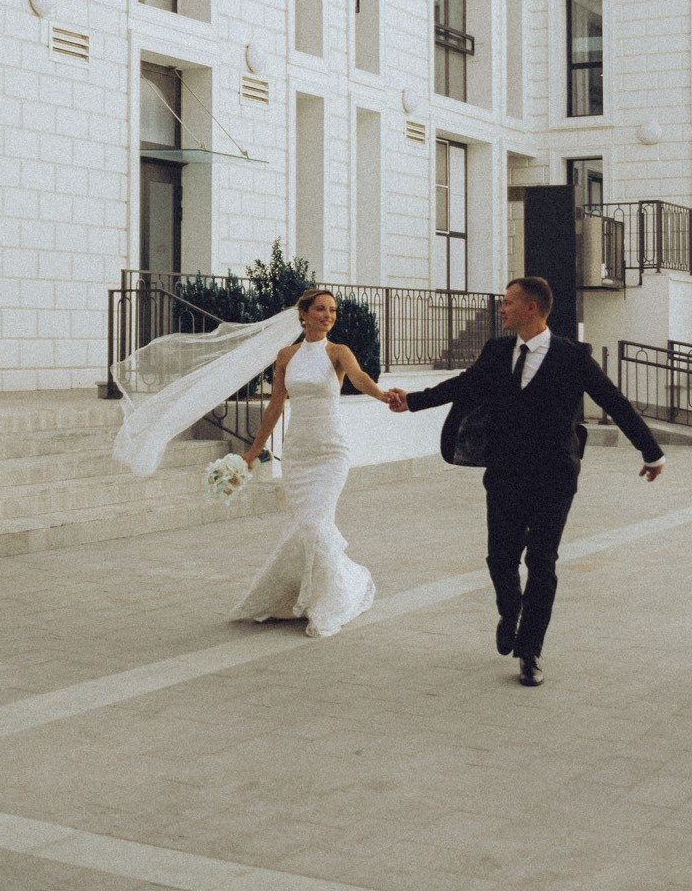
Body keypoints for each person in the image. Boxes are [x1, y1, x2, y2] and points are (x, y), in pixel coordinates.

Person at [386, 276, 662, 686]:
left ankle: (530, 652)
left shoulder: (573, 356)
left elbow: (612, 400)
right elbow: (465, 384)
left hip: (555, 475)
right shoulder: (498, 352)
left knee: (542, 562)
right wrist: (413, 400)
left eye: (508, 303)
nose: (502, 309)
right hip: (505, 472)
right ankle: (509, 608)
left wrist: (650, 450)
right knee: (500, 558)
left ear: (531, 308)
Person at [229, 288, 389, 636]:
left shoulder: (338, 352)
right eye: (320, 309)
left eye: (332, 310)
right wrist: (254, 451)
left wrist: (382, 395)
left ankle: (332, 598)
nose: (328, 315)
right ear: (303, 314)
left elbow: (359, 378)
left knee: (316, 525)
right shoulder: (286, 355)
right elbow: (275, 406)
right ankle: (295, 596)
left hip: (331, 451)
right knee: (306, 528)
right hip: (298, 454)